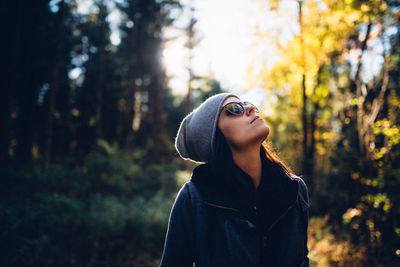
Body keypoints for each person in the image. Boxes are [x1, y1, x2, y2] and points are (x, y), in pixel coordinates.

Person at [160, 93, 310, 267]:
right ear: (215, 137)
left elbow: (301, 260)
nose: (250, 109)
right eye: (233, 109)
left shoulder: (295, 189)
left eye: (247, 104)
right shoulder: (194, 198)